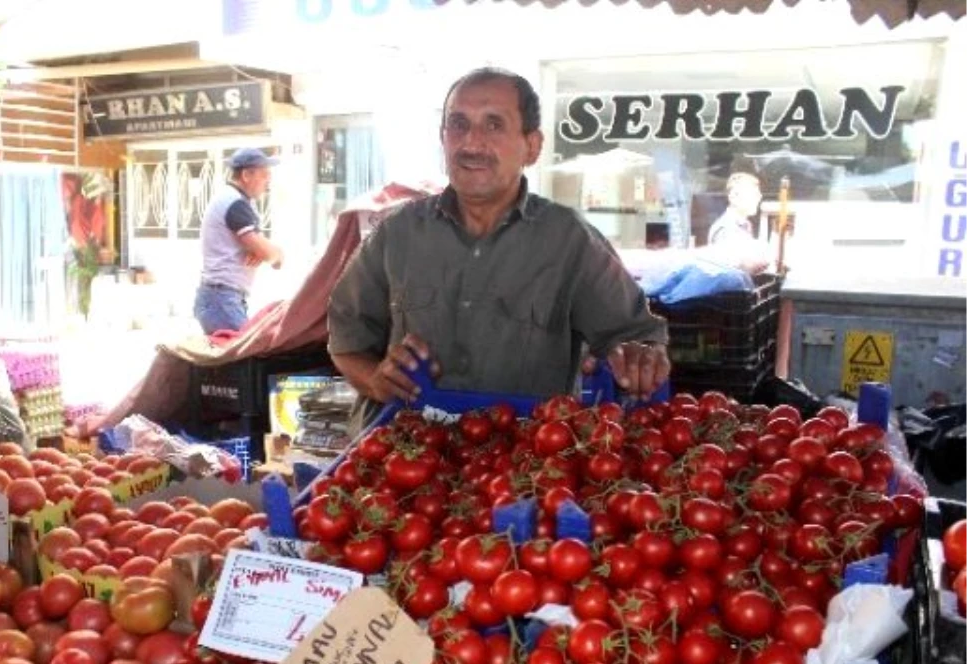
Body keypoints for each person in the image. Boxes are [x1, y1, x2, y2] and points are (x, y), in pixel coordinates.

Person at [327, 67, 671, 430]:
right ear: (443, 138)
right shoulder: (397, 233)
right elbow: (346, 340)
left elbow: (637, 339)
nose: (471, 143)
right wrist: (375, 380)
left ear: (532, 146)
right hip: (406, 461)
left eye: (493, 125)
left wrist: (639, 358)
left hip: (519, 469)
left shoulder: (571, 241)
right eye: (458, 124)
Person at [193, 148, 284, 334]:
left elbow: (261, 249)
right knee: (247, 358)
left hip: (221, 298)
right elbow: (273, 257)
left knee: (237, 358)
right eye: (264, 175)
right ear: (246, 175)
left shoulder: (236, 200)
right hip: (221, 299)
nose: (268, 182)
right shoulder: (234, 203)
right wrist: (274, 252)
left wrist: (260, 250)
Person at [705, 172, 772, 273]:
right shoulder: (725, 229)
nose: (759, 198)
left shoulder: (743, 225)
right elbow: (735, 269)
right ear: (733, 197)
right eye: (753, 194)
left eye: (758, 195)